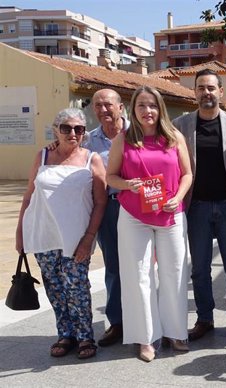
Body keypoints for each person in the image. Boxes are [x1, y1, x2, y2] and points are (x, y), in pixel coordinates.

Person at [106, 86, 193, 362]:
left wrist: (178, 197)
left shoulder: (174, 137)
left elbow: (187, 174)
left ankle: (175, 331)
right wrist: (127, 184)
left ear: (160, 109)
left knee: (175, 273)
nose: (148, 111)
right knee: (138, 276)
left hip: (171, 214)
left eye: (152, 105)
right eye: (141, 106)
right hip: (134, 215)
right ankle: (145, 338)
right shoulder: (123, 140)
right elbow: (110, 177)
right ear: (133, 110)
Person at [16, 108, 107, 359]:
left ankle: (85, 336)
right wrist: (20, 232)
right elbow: (28, 196)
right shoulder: (43, 155)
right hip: (43, 233)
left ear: (84, 133)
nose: (72, 133)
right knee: (55, 289)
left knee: (77, 288)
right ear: (55, 129)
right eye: (66, 128)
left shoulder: (92, 159)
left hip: (76, 236)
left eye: (78, 129)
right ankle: (65, 334)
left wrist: (89, 238)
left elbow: (100, 202)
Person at [172, 69, 226, 341]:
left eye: (211, 88)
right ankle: (205, 318)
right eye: (201, 88)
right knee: (200, 268)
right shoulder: (180, 125)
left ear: (221, 92)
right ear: (194, 92)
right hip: (197, 207)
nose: (206, 92)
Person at [82, 89, 129, 347]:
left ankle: (145, 320)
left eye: (108, 105)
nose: (103, 110)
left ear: (120, 107)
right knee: (113, 266)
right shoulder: (88, 141)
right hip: (109, 208)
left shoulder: (138, 133)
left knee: (142, 265)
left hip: (138, 207)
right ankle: (117, 323)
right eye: (98, 106)